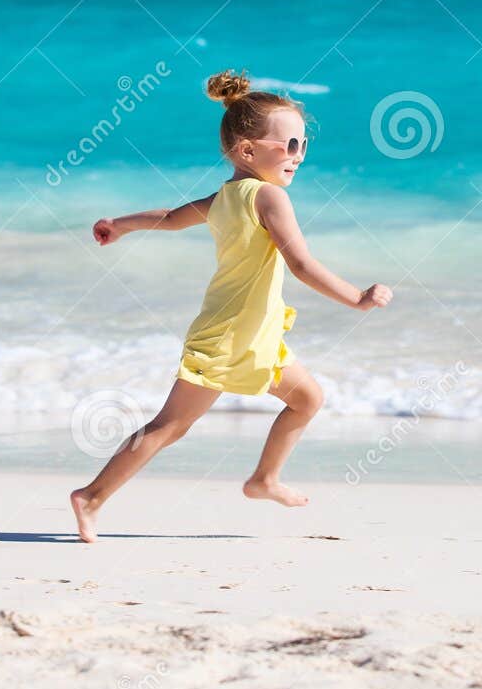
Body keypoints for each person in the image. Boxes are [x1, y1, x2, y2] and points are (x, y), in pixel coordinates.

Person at [69, 69, 394, 542]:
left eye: (303, 145)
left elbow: (171, 218)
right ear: (247, 151)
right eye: (290, 146)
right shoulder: (269, 197)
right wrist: (357, 298)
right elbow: (301, 265)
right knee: (168, 427)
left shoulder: (226, 196)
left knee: (306, 399)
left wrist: (122, 223)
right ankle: (91, 497)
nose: (298, 157)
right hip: (227, 337)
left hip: (253, 333)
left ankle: (264, 480)